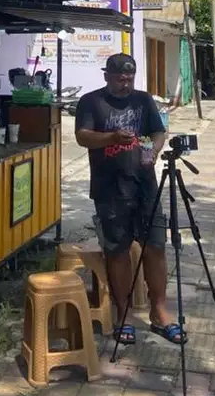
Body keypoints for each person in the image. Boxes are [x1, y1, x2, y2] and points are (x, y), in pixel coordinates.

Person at [74, 53, 184, 347]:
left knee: (155, 247)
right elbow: (82, 136)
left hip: (145, 185)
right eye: (120, 78)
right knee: (118, 251)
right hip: (110, 189)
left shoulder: (143, 100)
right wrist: (111, 138)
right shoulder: (91, 101)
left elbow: (158, 132)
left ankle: (159, 311)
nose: (125, 84)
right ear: (107, 75)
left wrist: (154, 151)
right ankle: (123, 312)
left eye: (129, 78)